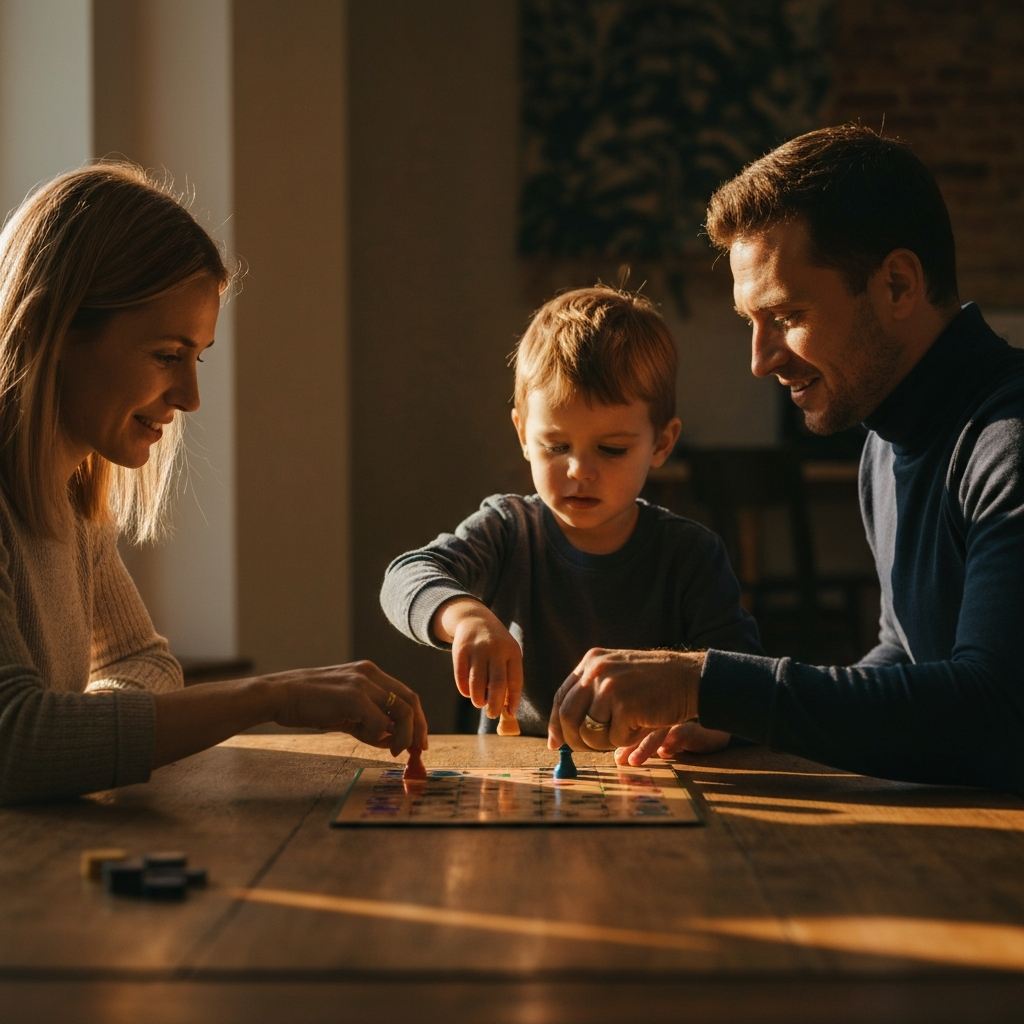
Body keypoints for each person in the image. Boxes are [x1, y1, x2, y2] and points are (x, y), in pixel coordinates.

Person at [548, 124, 1024, 793]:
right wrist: (735, 715)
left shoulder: (1009, 443)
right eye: (753, 322)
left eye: (787, 314)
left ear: (896, 285)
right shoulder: (884, 443)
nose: (761, 359)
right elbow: (903, 659)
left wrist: (706, 681)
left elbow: (998, 717)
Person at [0, 164, 427, 805]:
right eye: (167, 355)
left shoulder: (71, 504)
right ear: (54, 329)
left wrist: (85, 732)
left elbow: (142, 663)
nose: (191, 398)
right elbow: (15, 743)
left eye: (196, 357)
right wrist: (271, 695)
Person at [380, 286, 761, 737]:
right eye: (556, 446)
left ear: (661, 443)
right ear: (524, 435)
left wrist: (714, 728)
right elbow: (404, 577)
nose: (579, 469)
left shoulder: (692, 554)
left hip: (649, 780)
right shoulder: (508, 529)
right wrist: (465, 616)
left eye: (612, 449)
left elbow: (744, 682)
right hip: (520, 781)